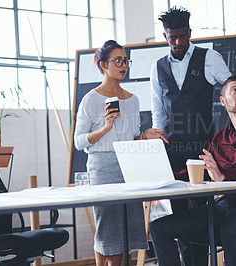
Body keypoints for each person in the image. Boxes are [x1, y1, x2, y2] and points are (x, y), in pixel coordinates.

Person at [149, 75, 236, 266]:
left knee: (230, 229)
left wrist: (224, 176)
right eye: (235, 90)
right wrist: (163, 177)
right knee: (159, 228)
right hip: (225, 206)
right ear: (223, 101)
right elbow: (202, 169)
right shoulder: (219, 138)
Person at [74, 40, 167, 266]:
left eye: (125, 61)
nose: (123, 65)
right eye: (117, 61)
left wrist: (144, 136)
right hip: (102, 168)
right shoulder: (91, 99)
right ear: (104, 65)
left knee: (124, 229)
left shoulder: (132, 101)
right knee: (107, 227)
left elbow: (132, 137)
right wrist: (105, 127)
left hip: (129, 167)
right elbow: (78, 141)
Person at [150, 6, 231, 265]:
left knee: (202, 212)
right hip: (173, 151)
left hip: (202, 148)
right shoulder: (158, 67)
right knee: (179, 214)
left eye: (182, 36)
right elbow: (157, 110)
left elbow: (231, 89)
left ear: (190, 33)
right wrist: (158, 146)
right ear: (165, 36)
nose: (178, 42)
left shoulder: (210, 58)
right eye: (172, 37)